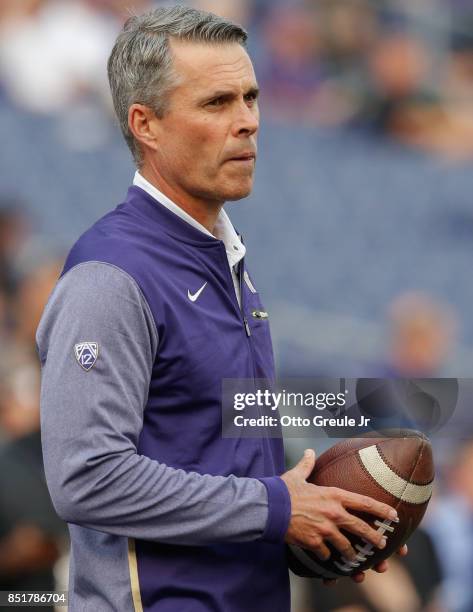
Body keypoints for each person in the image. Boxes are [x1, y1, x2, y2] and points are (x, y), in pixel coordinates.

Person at [36, 6, 405, 611]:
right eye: (216, 103)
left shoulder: (225, 260)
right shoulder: (111, 276)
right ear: (145, 124)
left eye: (251, 97)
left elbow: (216, 454)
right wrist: (277, 508)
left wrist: (329, 520)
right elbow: (87, 478)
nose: (247, 123)